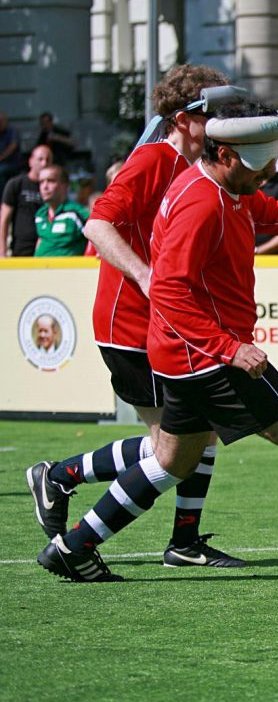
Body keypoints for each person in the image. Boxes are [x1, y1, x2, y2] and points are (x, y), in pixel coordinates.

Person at [37, 98, 278, 599]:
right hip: (204, 358)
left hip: (184, 355)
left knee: (171, 461)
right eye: (259, 163)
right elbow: (169, 291)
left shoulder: (228, 188)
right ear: (224, 154)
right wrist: (228, 348)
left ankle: (73, 547)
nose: (268, 172)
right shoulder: (200, 202)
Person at [25, 66, 251, 569]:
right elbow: (97, 224)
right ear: (183, 118)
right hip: (130, 326)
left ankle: (183, 540)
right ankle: (62, 483)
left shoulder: (199, 165)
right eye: (208, 112)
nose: (219, 120)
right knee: (171, 450)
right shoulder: (154, 158)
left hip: (164, 325)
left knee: (198, 433)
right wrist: (148, 277)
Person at [1, 144, 54, 256]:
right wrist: (2, 250)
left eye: (48, 160)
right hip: (20, 250)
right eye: (40, 159)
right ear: (31, 161)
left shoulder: (54, 188)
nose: (44, 163)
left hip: (44, 250)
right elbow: (4, 218)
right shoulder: (16, 184)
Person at [33, 165, 88, 256]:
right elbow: (41, 240)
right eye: (41, 182)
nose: (45, 187)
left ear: (65, 186)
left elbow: (97, 236)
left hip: (67, 269)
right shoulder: (40, 213)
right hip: (38, 268)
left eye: (51, 181)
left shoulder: (76, 213)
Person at [0, 111, 21, 185]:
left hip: (11, 163)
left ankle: (3, 195)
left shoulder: (12, 131)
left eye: (1, 121)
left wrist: (1, 157)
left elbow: (12, 147)